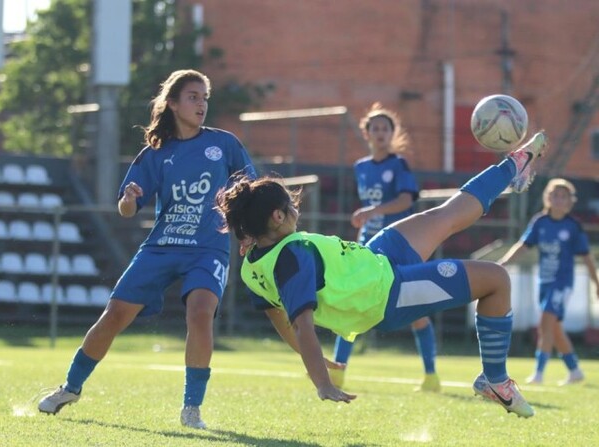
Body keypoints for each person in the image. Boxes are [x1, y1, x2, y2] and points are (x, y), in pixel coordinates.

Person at [215, 130, 549, 418]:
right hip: (387, 295)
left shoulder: (252, 267)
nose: (296, 208)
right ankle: (495, 379)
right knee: (496, 279)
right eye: (292, 204)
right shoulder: (292, 256)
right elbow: (301, 326)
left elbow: (278, 318)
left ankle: (514, 164)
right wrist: (323, 383)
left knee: (449, 214)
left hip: (376, 260)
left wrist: (306, 355)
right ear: (277, 217)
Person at [38, 69, 256, 429]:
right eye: (193, 97)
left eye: (205, 97)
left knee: (201, 313)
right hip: (161, 247)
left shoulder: (225, 144)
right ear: (172, 103)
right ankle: (70, 388)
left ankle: (191, 410)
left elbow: (250, 190)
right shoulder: (156, 153)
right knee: (114, 316)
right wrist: (127, 198)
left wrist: (247, 231)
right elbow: (125, 210)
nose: (201, 104)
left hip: (208, 249)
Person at [330, 103, 439, 392]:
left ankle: (431, 376)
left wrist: (371, 211)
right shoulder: (361, 167)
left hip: (399, 244)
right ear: (366, 133)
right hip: (369, 245)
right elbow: (370, 210)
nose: (380, 133)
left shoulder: (398, 164)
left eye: (385, 128)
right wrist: (363, 226)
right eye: (374, 128)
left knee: (416, 310)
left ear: (392, 134)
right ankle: (338, 373)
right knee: (352, 304)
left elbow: (406, 201)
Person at [499, 178, 599, 385]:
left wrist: (596, 283)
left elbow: (587, 256)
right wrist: (504, 262)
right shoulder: (540, 222)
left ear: (570, 201)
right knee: (554, 328)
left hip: (562, 283)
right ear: (548, 198)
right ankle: (574, 370)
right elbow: (523, 245)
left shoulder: (573, 226)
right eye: (555, 195)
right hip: (544, 281)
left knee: (545, 324)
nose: (559, 200)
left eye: (564, 196)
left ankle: (538, 373)